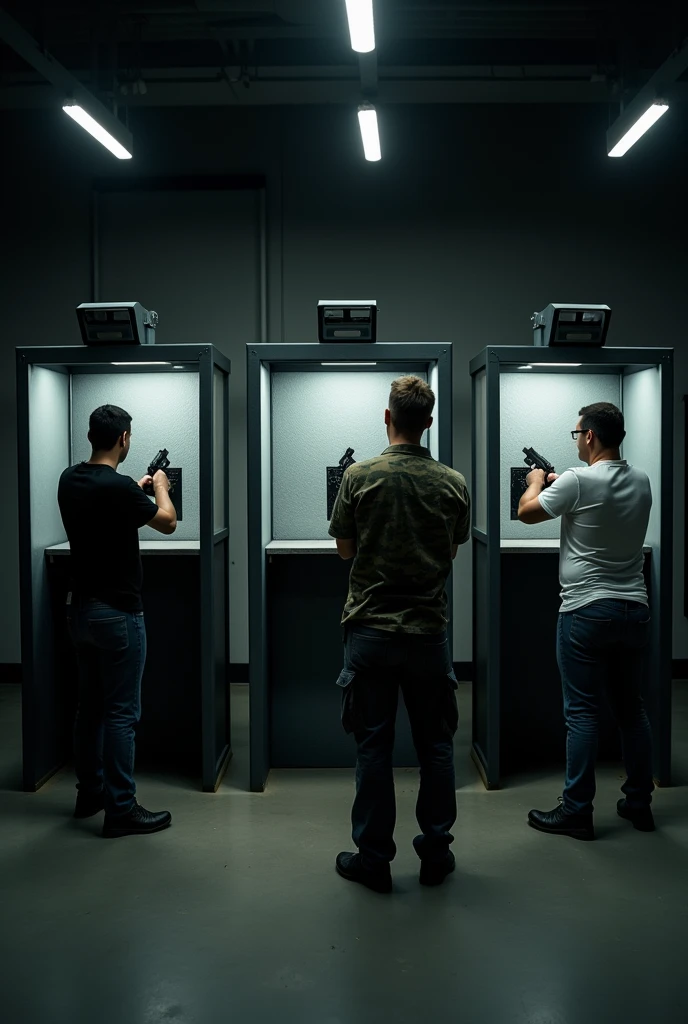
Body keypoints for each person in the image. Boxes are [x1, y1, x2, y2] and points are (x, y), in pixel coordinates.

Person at [328, 376, 471, 892]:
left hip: (370, 631)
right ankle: (435, 853)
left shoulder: (359, 477)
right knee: (436, 747)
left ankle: (374, 860)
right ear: (427, 423)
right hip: (428, 634)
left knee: (373, 748)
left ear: (386, 417)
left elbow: (345, 550)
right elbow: (451, 551)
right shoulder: (453, 482)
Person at [518, 402, 655, 841]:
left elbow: (528, 511)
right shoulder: (641, 480)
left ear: (590, 436)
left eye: (577, 433)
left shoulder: (576, 481)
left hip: (585, 611)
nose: (576, 439)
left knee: (581, 714)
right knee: (632, 711)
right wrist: (562, 485)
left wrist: (536, 482)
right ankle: (639, 803)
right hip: (633, 608)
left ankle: (577, 810)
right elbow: (601, 502)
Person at [58, 404, 177, 839]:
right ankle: (121, 809)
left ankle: (89, 793)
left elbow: (105, 505)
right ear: (124, 438)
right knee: (122, 714)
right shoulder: (121, 486)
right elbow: (167, 522)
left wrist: (135, 490)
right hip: (119, 613)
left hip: (81, 612)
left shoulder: (70, 479)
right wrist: (159, 487)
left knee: (88, 707)